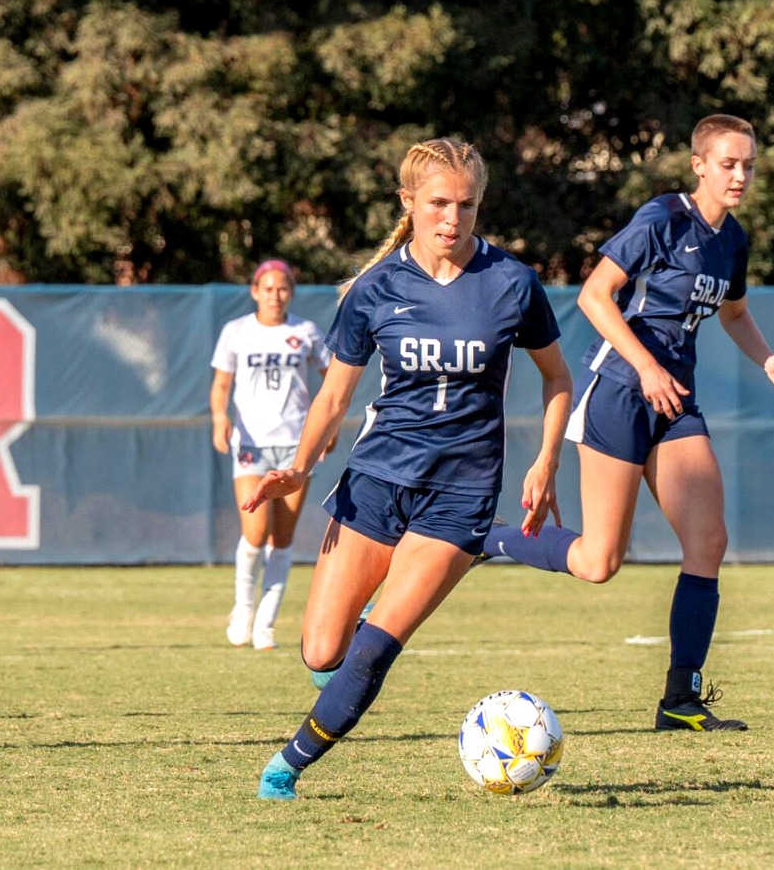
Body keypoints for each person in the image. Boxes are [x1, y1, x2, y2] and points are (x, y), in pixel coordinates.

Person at [245, 138, 572, 800]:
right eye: (438, 204)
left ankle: (289, 763)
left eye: (467, 205)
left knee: (372, 652)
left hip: (461, 494)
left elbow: (558, 378)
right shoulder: (374, 289)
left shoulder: (512, 283)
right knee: (320, 653)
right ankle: (380, 604)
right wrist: (298, 468)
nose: (452, 219)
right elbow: (334, 398)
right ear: (409, 204)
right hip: (377, 482)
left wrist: (545, 459)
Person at [479, 114, 774, 733]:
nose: (740, 174)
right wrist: (647, 366)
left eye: (749, 164)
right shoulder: (663, 218)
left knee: (708, 542)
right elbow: (596, 295)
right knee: (600, 562)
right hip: (622, 392)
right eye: (728, 163)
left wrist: (769, 360)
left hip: (675, 401)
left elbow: (733, 314)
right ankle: (482, 538)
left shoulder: (732, 239)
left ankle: (679, 701)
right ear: (699, 164)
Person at [209, 258, 331, 650]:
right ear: (254, 291)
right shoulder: (236, 332)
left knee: (282, 537)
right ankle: (244, 607)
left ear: (291, 293)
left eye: (283, 289)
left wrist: (326, 427)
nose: (275, 296)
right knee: (255, 532)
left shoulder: (305, 331)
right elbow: (221, 384)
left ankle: (266, 621)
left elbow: (332, 382)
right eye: (268, 288)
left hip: (295, 446)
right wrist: (219, 418)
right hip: (251, 444)